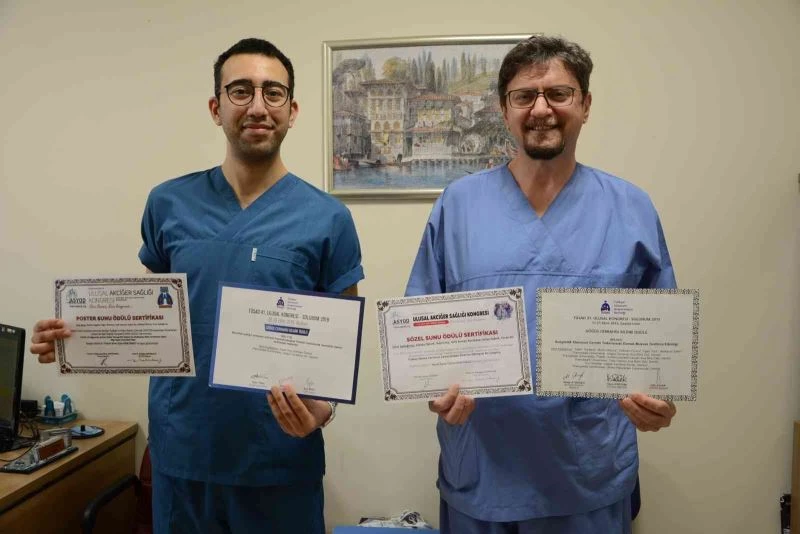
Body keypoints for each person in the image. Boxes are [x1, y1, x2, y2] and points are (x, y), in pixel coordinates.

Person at [29, 38, 364, 533]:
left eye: (273, 93)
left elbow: (340, 347)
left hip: (279, 463)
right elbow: (148, 316)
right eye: (240, 91)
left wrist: (321, 411)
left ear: (292, 111)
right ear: (215, 108)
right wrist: (74, 339)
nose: (257, 106)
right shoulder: (168, 203)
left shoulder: (328, 218)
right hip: (183, 459)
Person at [405, 35, 677, 534]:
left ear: (586, 104)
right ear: (504, 109)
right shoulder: (457, 206)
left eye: (558, 93)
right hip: (482, 475)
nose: (541, 109)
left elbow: (661, 349)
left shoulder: (631, 208)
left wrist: (659, 403)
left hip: (588, 474)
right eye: (524, 96)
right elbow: (420, 337)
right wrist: (433, 390)